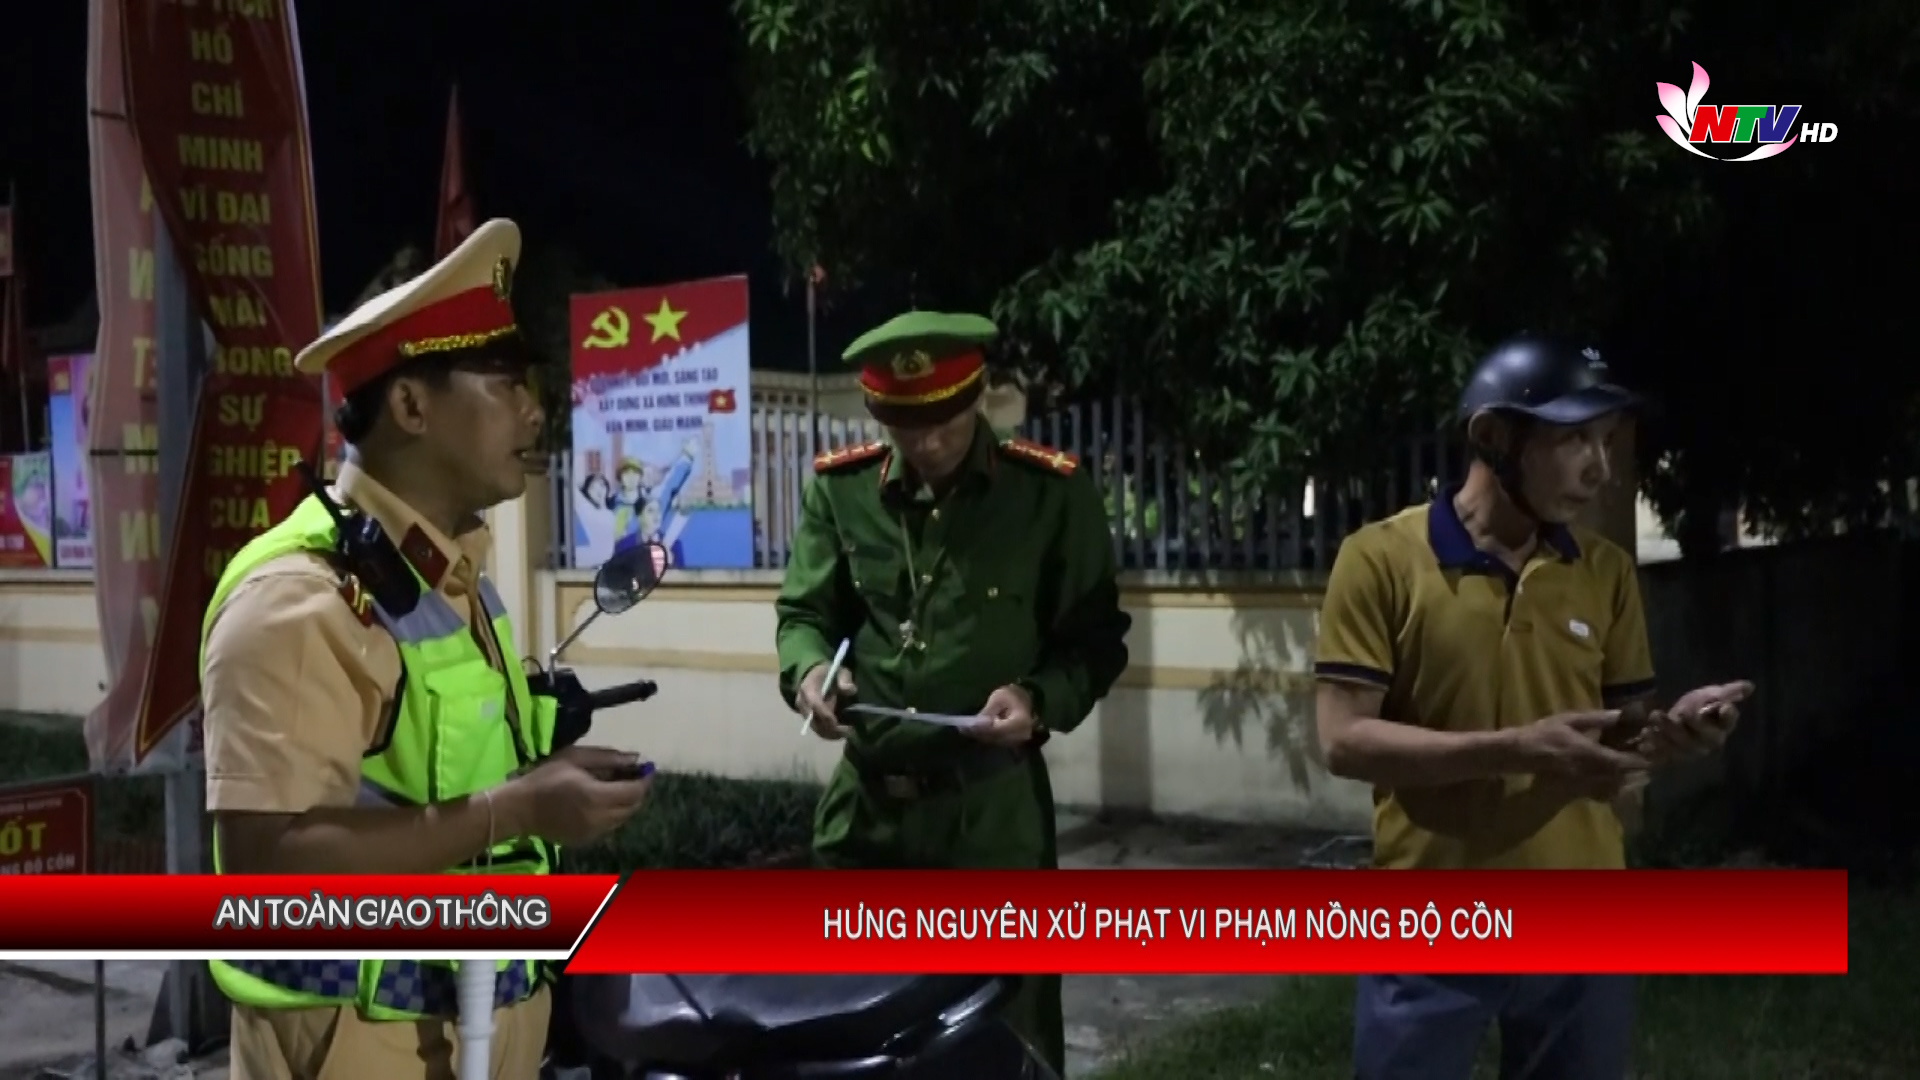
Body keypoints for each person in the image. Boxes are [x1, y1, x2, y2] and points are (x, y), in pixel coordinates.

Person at [199, 219, 656, 1080]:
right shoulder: (298, 600)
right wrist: (516, 811)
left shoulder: (453, 577)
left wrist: (544, 777)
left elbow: (447, 771)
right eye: (506, 384)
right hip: (364, 1040)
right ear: (411, 407)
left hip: (487, 1022)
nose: (535, 410)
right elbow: (267, 865)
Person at [1313, 336, 1755, 1080]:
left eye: (1607, 442)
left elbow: (1618, 745)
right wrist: (1516, 748)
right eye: (1575, 439)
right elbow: (1343, 739)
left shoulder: (1605, 572)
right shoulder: (1380, 559)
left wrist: (1673, 733)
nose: (1600, 467)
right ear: (1494, 436)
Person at [774, 310, 1132, 1076]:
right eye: (905, 426)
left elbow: (1096, 640)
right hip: (866, 824)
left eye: (943, 421)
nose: (928, 443)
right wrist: (809, 672)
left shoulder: (1047, 495)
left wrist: (1037, 701)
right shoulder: (842, 491)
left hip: (990, 825)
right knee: (849, 1036)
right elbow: (804, 616)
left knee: (1004, 1041)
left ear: (977, 398)